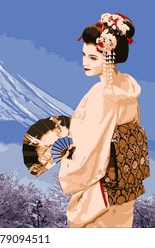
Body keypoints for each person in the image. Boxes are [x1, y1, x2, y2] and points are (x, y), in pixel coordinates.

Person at [58, 13, 145, 228]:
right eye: (84, 55)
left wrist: (68, 166)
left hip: (100, 193)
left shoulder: (102, 96)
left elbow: (92, 152)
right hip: (124, 192)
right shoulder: (127, 89)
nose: (84, 63)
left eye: (93, 58)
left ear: (109, 56)